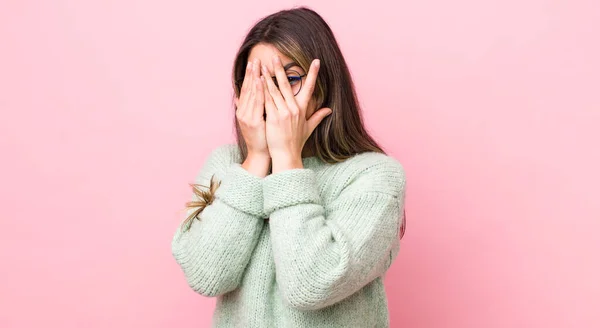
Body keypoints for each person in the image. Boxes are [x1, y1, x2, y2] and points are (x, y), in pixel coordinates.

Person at [171, 6, 406, 327]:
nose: (271, 96)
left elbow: (311, 285)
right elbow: (206, 276)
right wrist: (255, 160)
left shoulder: (373, 176)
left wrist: (286, 159)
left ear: (324, 86)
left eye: (290, 78)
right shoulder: (226, 165)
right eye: (256, 82)